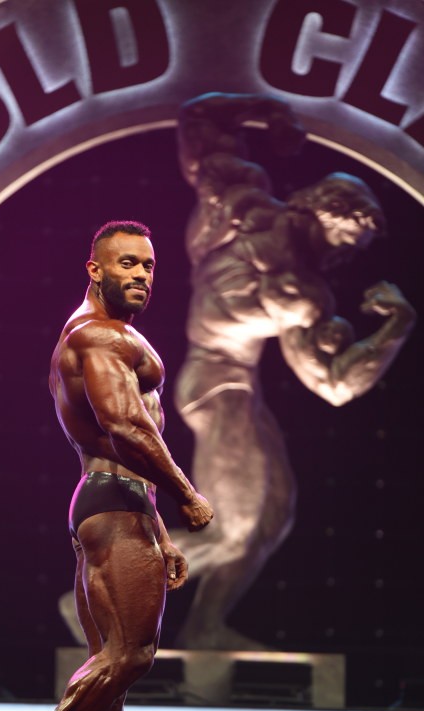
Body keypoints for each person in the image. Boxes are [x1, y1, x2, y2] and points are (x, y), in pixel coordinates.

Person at [172, 92, 416, 650]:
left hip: (235, 385)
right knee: (232, 530)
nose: (347, 253)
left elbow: (200, 119)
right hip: (216, 384)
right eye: (352, 239)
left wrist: (269, 114)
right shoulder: (298, 287)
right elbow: (334, 385)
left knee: (272, 515)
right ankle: (95, 594)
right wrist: (396, 326)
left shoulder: (242, 199)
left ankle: (205, 628)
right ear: (332, 213)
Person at [0, 221, 213, 711]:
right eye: (127, 264)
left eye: (148, 265)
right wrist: (187, 494)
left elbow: (124, 442)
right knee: (130, 656)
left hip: (120, 502)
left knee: (109, 668)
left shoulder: (111, 335)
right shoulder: (96, 335)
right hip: (113, 505)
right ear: (94, 270)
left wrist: (162, 531)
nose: (141, 275)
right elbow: (124, 426)